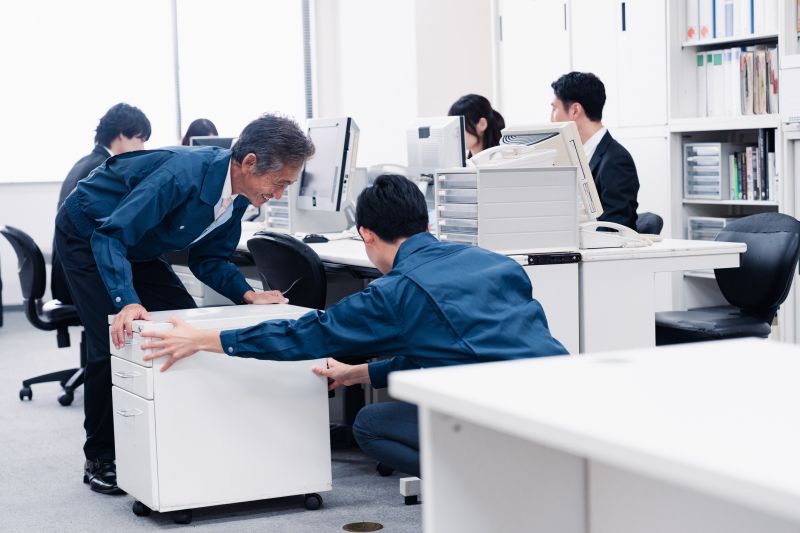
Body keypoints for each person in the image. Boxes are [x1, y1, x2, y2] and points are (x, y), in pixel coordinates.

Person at [139, 174, 569, 478]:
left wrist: (204, 338)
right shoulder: (493, 261)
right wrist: (358, 372)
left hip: (504, 422)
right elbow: (450, 344)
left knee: (369, 423)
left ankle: (490, 478)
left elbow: (306, 334)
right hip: (564, 401)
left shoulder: (398, 292)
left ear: (365, 234)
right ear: (427, 224)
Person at [54, 113, 315, 495]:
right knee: (113, 341)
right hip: (90, 234)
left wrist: (248, 294)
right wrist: (126, 301)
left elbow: (208, 259)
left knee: (187, 326)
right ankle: (101, 457)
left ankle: (174, 437)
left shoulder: (240, 195)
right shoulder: (182, 176)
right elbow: (111, 235)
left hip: (138, 243)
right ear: (249, 163)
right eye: (278, 184)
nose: (278, 195)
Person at [52, 103, 151, 304]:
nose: (143, 147)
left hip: (67, 272)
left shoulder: (86, 161)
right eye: (140, 139)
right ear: (122, 134)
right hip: (81, 276)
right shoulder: (103, 169)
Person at [550, 72, 640, 230]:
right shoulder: (576, 155)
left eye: (554, 109)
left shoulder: (616, 160)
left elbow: (614, 229)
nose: (551, 119)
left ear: (575, 111)